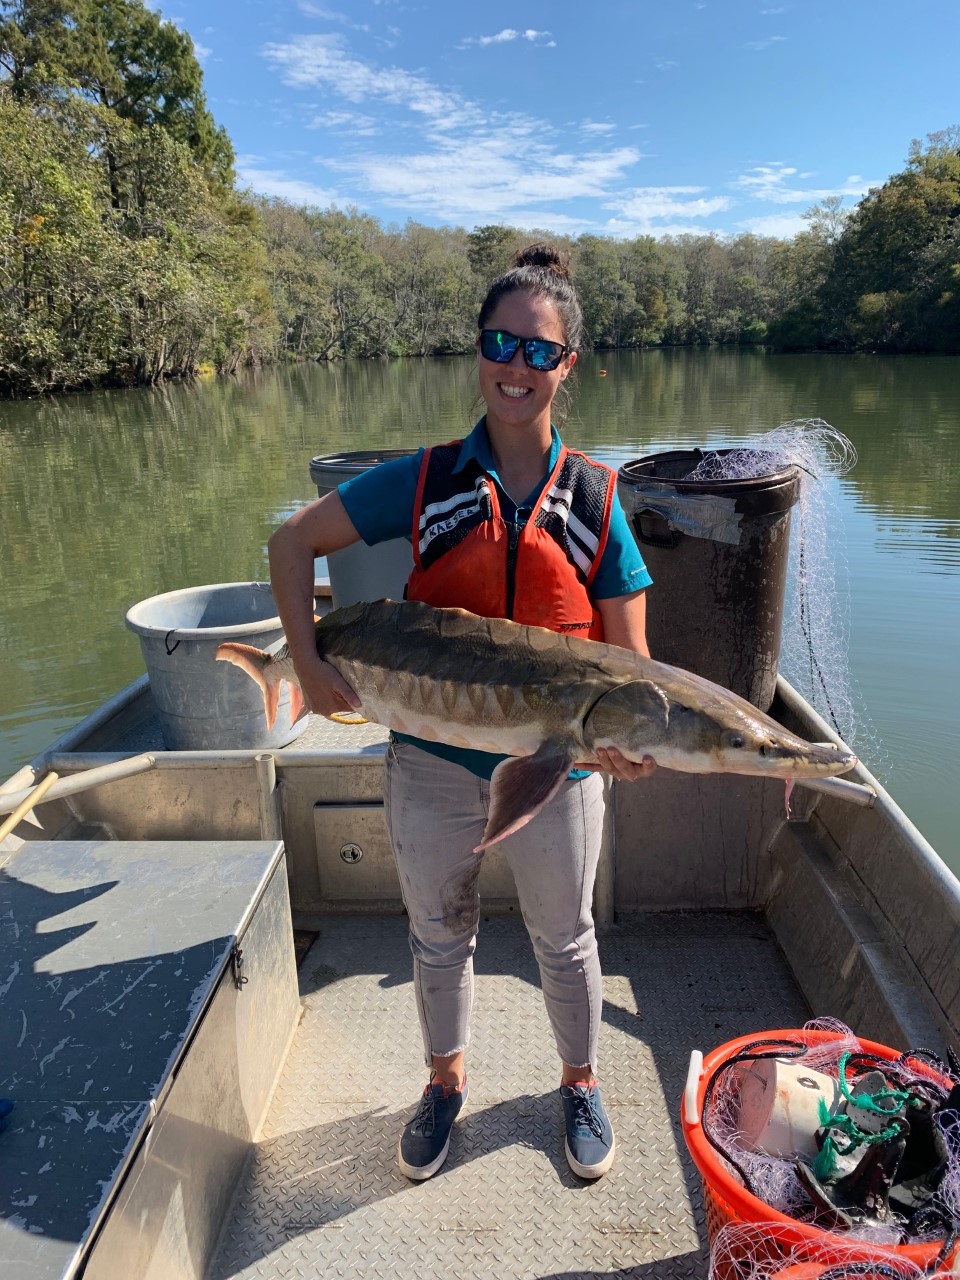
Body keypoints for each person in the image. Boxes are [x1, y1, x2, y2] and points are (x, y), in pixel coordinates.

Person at [268, 243, 655, 1183]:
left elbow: (634, 665)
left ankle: (578, 1081)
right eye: (499, 343)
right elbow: (292, 544)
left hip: (557, 767)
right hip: (433, 762)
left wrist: (629, 747)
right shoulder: (426, 476)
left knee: (565, 940)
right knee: (440, 932)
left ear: (567, 365)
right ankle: (444, 1085)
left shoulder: (600, 497)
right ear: (479, 353)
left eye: (538, 350)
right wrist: (311, 663)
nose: (515, 367)